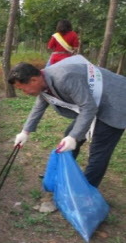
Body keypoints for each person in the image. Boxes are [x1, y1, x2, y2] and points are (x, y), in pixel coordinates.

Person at [9, 56, 126, 188]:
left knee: (99, 150)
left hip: (116, 101)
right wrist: (25, 132)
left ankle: (86, 192)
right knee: (69, 134)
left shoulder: (64, 77)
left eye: (22, 89)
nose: (24, 93)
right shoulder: (44, 81)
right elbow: (38, 107)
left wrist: (74, 137)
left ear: (33, 80)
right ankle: (60, 172)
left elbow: (88, 107)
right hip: (94, 103)